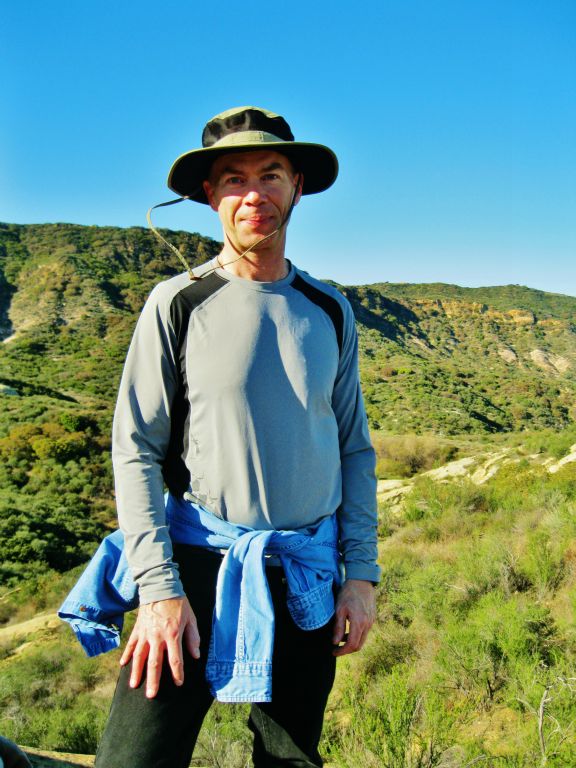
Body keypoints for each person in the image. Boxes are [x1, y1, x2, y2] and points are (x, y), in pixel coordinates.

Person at [94, 106, 380, 768]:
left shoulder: (329, 309)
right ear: (208, 195)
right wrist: (159, 590)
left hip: (305, 571)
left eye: (271, 173)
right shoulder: (178, 303)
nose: (255, 193)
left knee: (289, 760)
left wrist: (360, 576)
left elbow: (353, 447)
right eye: (233, 178)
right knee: (134, 758)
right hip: (195, 565)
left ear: (297, 186)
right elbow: (134, 448)